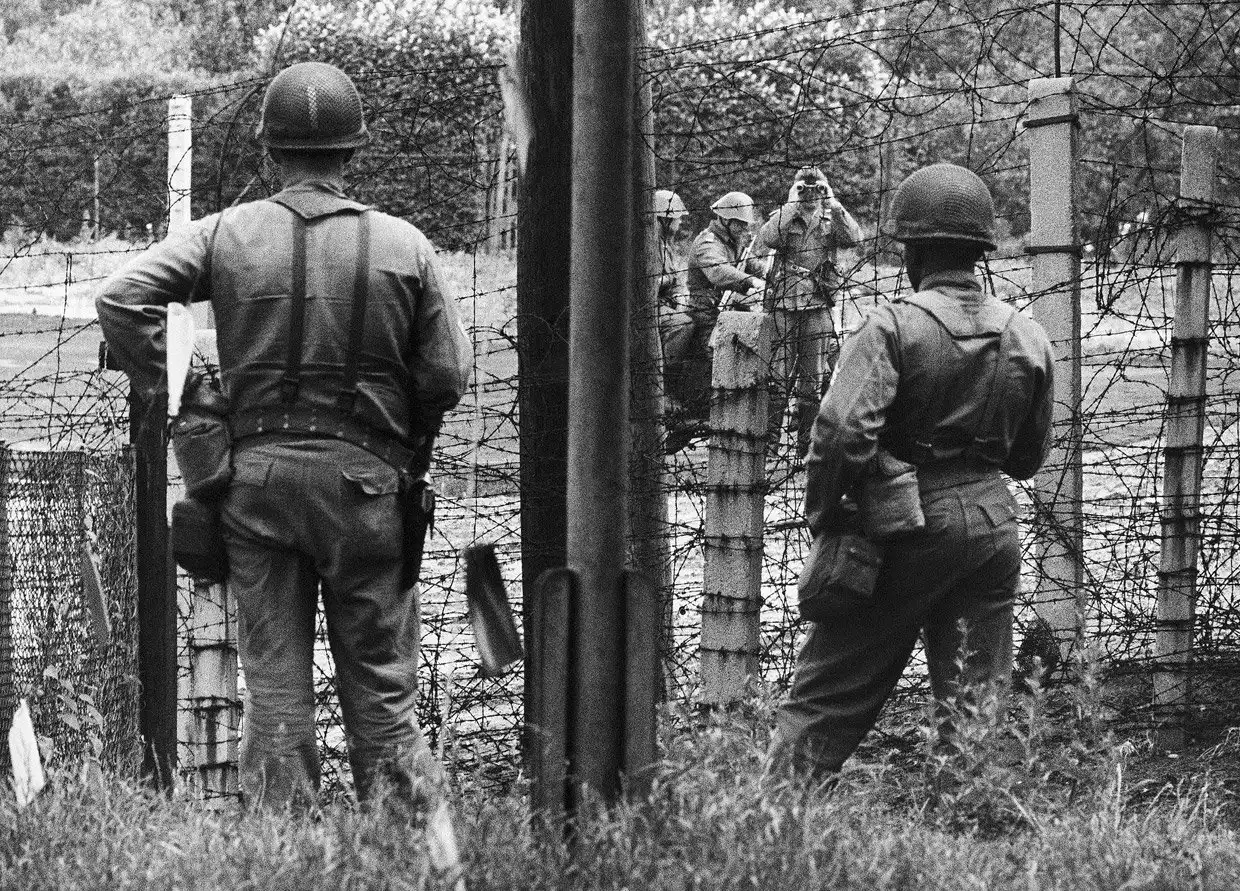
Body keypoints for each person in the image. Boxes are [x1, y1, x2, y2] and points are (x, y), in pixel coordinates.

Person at [96, 62, 472, 877]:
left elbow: (122, 298)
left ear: (270, 150)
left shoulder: (226, 234)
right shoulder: (403, 244)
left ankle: (289, 868)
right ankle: (418, 866)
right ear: (352, 151)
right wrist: (396, 429)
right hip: (369, 492)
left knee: (275, 694)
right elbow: (447, 373)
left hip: (256, 491)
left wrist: (191, 385)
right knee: (383, 693)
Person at [766, 163, 1054, 780]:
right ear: (979, 251)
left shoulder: (891, 326)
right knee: (976, 707)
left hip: (903, 527)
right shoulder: (1027, 333)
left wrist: (826, 513)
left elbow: (841, 433)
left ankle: (766, 820)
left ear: (913, 252)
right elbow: (1028, 459)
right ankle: (972, 821)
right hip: (994, 523)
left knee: (828, 695)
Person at [754, 166, 863, 459]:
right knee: (777, 378)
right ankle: (770, 444)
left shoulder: (831, 219)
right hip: (784, 305)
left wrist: (834, 203)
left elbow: (854, 238)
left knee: (811, 381)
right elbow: (767, 238)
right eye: (805, 189)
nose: (811, 195)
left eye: (817, 189)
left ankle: (806, 447)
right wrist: (792, 203)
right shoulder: (785, 217)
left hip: (817, 304)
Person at [664, 190, 767, 451]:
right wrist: (750, 282)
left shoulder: (734, 241)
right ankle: (691, 414)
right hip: (705, 312)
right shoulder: (708, 243)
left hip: (725, 310)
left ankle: (732, 416)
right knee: (717, 357)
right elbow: (719, 271)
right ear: (725, 220)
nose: (744, 229)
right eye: (740, 224)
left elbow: (749, 263)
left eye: (745, 225)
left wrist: (767, 272)